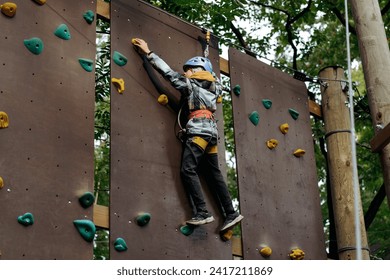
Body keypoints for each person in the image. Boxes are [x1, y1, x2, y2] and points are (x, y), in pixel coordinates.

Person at [132, 38, 243, 232]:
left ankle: (203, 212)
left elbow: (167, 73)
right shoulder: (216, 86)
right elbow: (212, 77)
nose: (185, 73)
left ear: (195, 71)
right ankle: (231, 213)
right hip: (211, 132)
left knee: (188, 169)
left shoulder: (191, 85)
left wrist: (149, 53)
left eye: (188, 70)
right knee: (214, 174)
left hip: (199, 130)